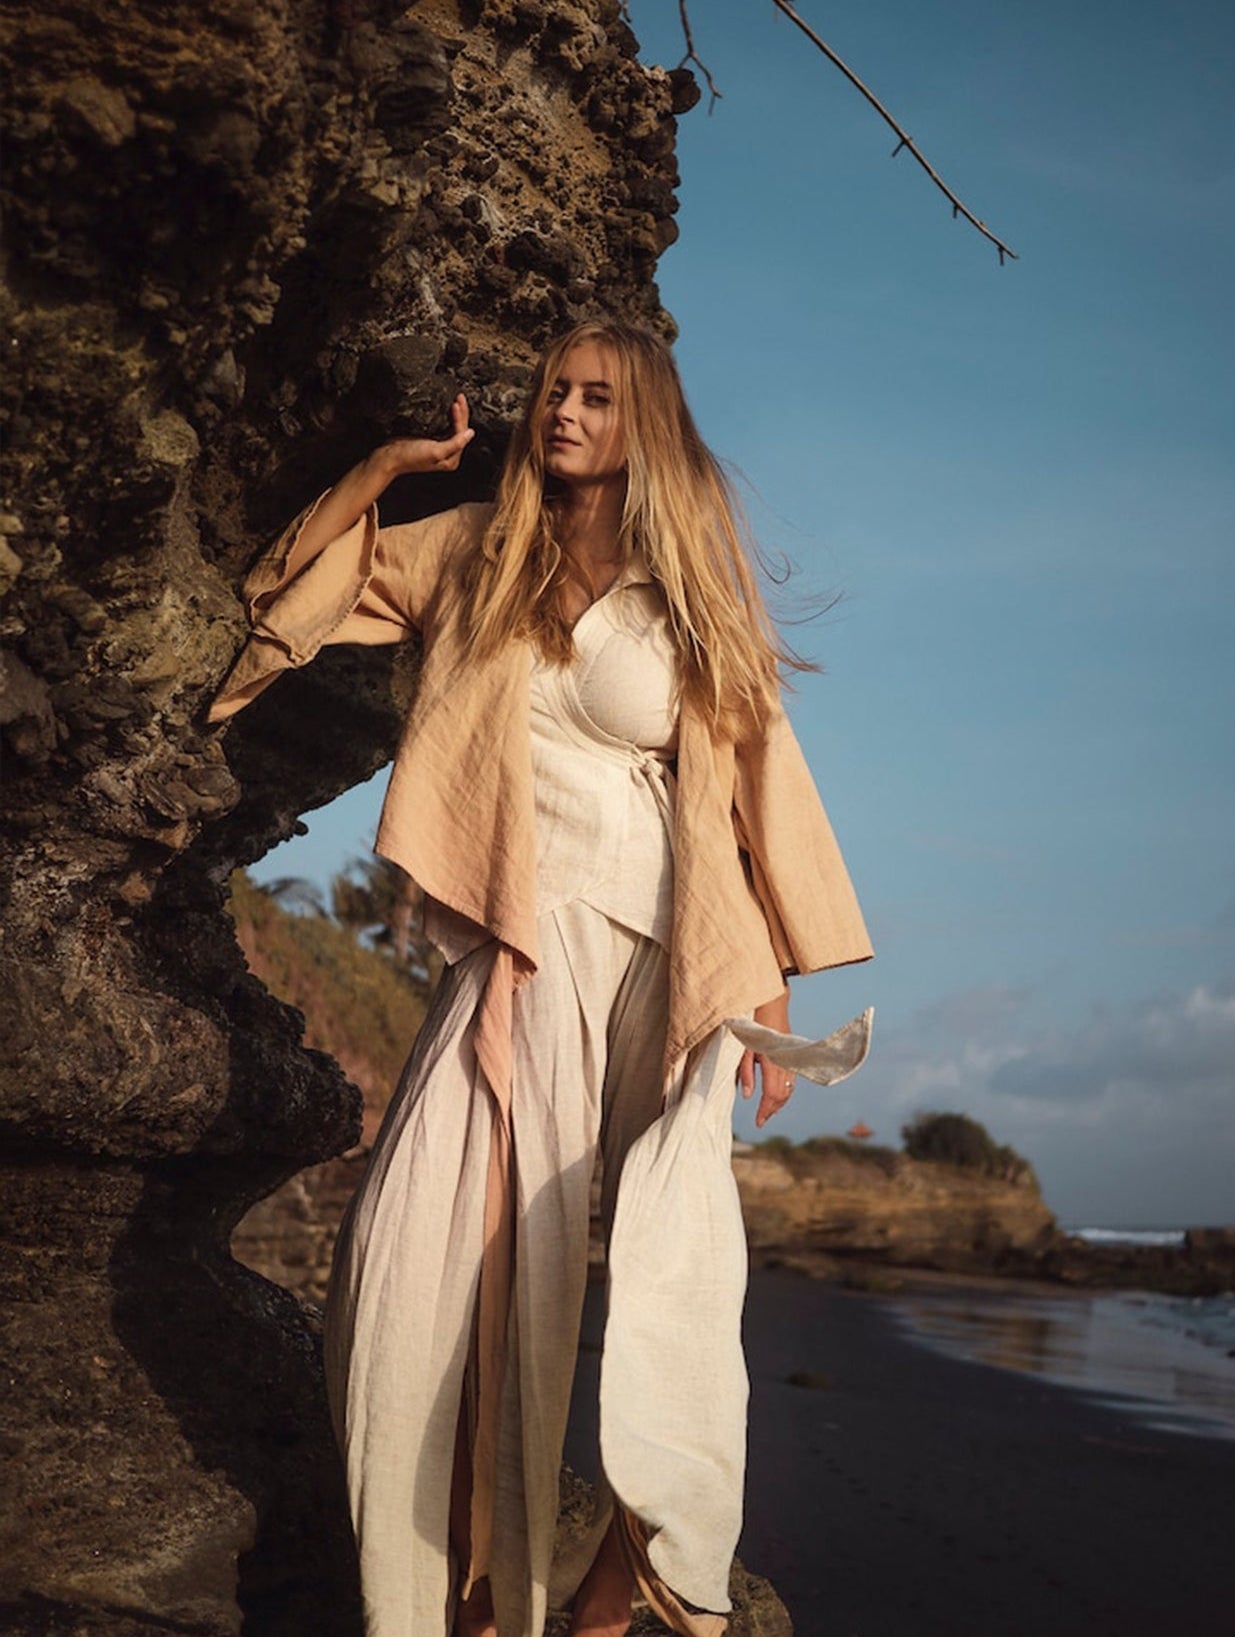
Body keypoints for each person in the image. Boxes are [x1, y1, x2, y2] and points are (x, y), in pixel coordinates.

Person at [208, 320, 873, 1637]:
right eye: (554, 392)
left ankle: (616, 1598)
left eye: (595, 398)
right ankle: (456, 1596)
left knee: (676, 1289)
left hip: (671, 959)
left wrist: (775, 984)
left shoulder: (685, 586)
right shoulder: (477, 549)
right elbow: (297, 589)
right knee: (402, 1271)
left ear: (644, 424)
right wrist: (384, 472)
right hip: (520, 948)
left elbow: (754, 769)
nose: (563, 412)